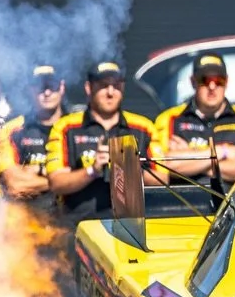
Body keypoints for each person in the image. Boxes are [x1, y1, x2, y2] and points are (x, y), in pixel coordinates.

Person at [45, 60, 160, 227]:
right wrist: (93, 170)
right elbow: (56, 183)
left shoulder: (143, 127)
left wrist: (129, 169)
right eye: (103, 86)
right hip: (79, 228)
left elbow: (162, 178)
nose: (110, 93)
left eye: (116, 86)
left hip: (131, 228)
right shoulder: (66, 127)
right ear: (89, 88)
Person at [152, 54, 235, 192]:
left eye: (219, 80)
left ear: (227, 82)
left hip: (233, 209)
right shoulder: (169, 119)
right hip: (181, 207)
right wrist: (221, 152)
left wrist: (189, 158)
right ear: (193, 82)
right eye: (204, 80)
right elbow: (163, 167)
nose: (212, 86)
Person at [0, 64, 67, 216]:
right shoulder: (12, 130)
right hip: (28, 224)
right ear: (30, 89)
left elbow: (92, 178)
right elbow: (16, 185)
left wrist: (38, 171)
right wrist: (68, 180)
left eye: (52, 86)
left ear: (61, 87)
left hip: (72, 223)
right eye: (40, 86)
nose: (47, 92)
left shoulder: (77, 127)